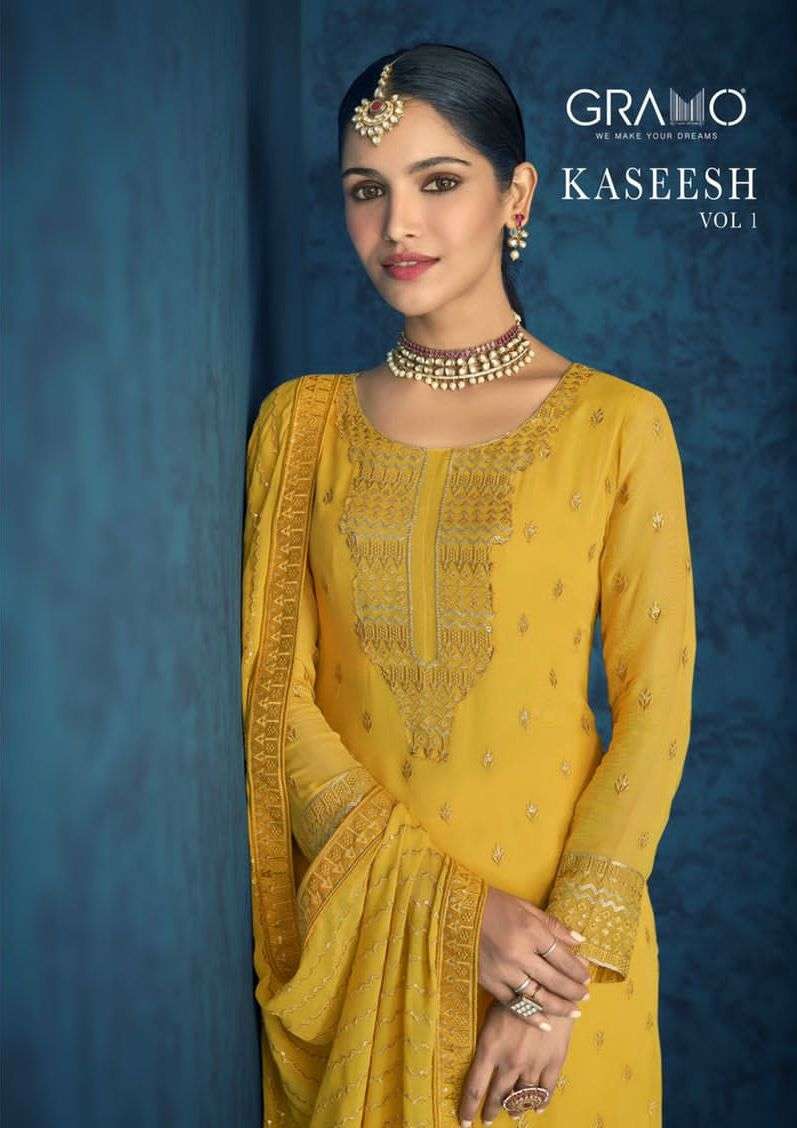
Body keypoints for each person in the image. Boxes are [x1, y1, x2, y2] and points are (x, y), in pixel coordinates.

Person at [241, 43, 696, 1128]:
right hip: (365, 955)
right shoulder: (301, 425)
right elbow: (272, 699)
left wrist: (551, 982)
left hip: (562, 979)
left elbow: (654, 714)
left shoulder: (617, 425)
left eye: (437, 181)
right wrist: (453, 914)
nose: (397, 225)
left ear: (515, 196)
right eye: (366, 190)